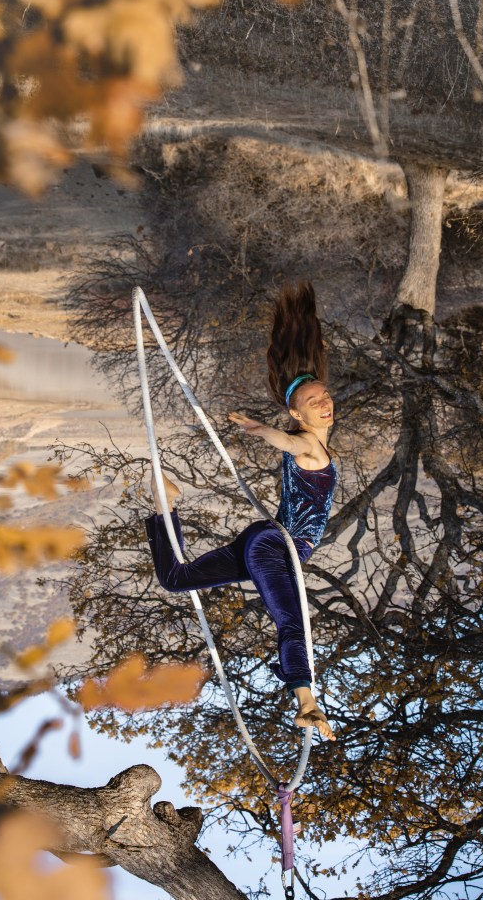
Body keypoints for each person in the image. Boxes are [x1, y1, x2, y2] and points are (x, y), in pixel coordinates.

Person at [144, 281, 337, 741]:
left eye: (325, 396)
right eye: (314, 402)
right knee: (292, 622)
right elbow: (286, 443)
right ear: (297, 415)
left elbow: (289, 440)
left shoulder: (316, 442)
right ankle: (305, 702)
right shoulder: (307, 445)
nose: (325, 403)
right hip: (276, 546)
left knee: (176, 579)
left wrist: (266, 429)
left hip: (266, 543)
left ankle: (163, 504)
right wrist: (260, 430)